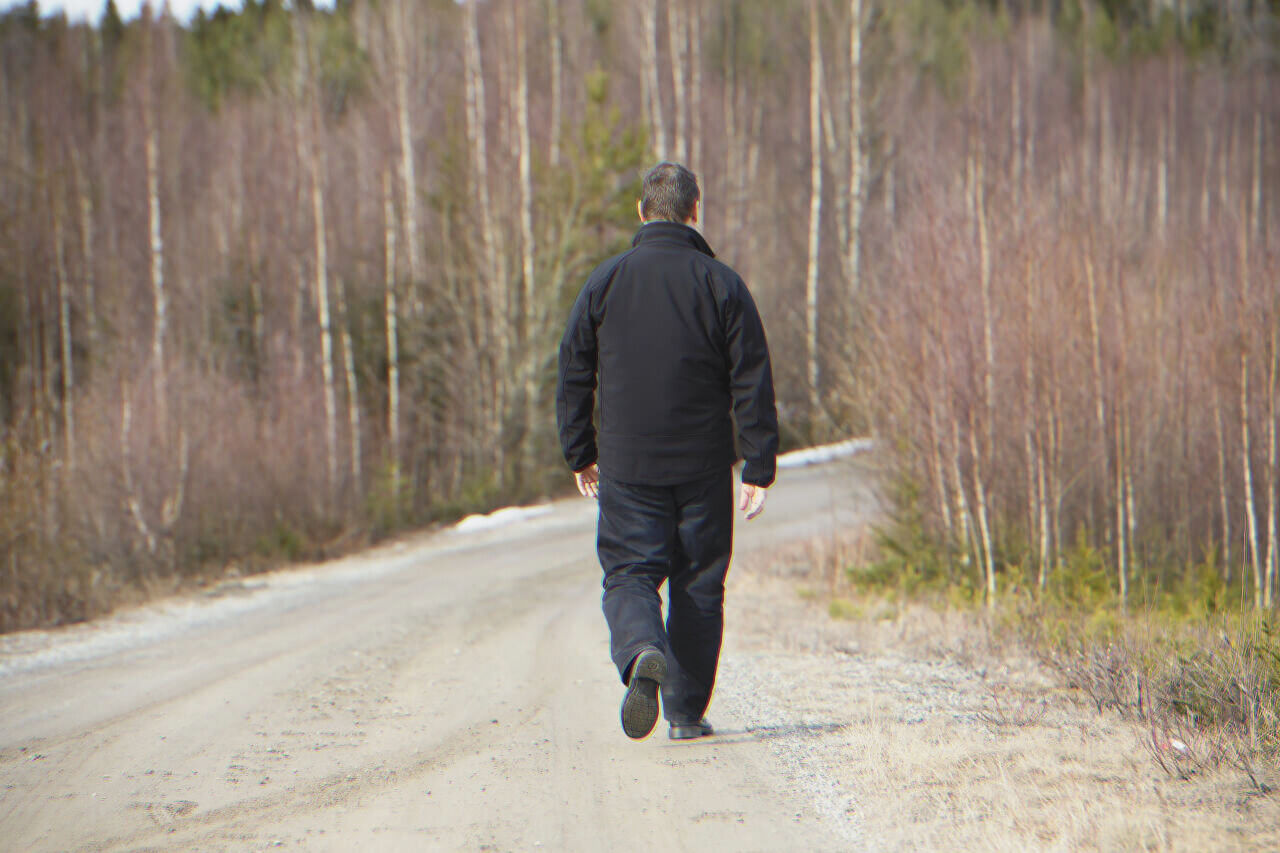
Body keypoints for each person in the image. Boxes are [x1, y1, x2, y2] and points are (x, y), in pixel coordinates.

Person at [556, 162, 779, 741]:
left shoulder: (606, 282)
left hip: (628, 466)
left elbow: (574, 368)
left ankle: (640, 653)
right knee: (699, 582)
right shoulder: (721, 283)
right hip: (704, 465)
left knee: (630, 574)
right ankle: (684, 713)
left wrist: (580, 451)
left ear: (641, 212)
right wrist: (758, 464)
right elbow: (751, 377)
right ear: (695, 210)